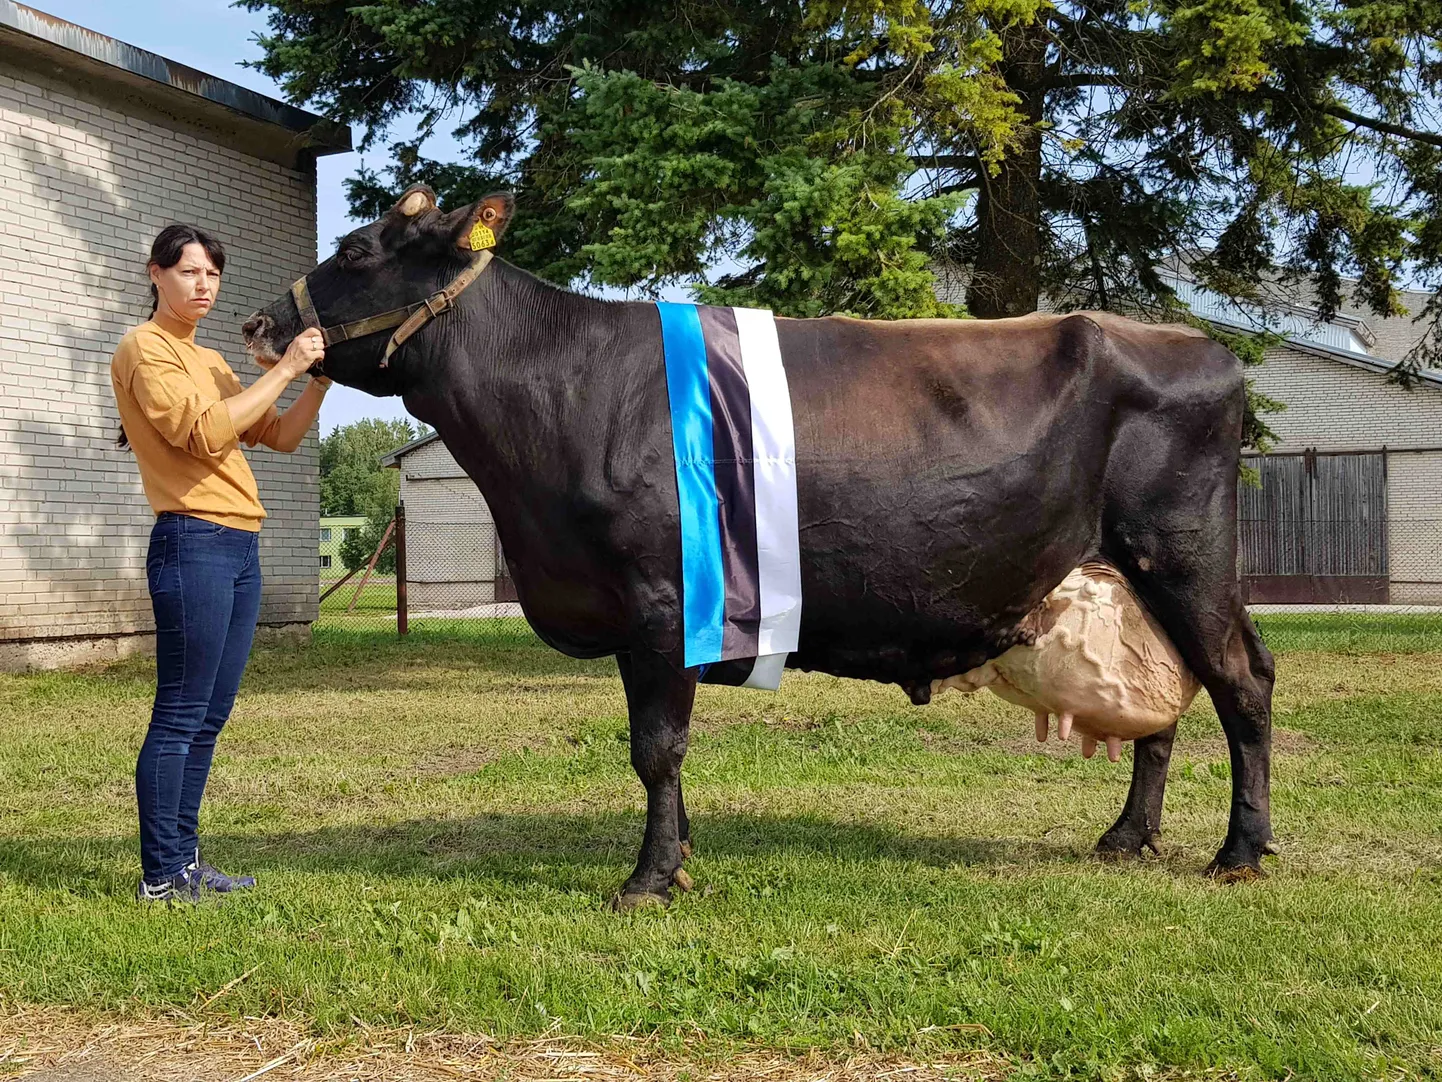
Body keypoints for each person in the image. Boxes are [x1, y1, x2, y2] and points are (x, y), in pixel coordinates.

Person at [111, 223, 327, 903]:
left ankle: (185, 860)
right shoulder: (145, 350)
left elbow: (283, 436)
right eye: (189, 272)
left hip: (237, 546)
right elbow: (206, 433)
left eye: (213, 276)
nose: (202, 285)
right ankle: (161, 875)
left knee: (208, 714)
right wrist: (287, 368)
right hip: (192, 542)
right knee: (179, 712)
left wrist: (317, 380)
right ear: (156, 274)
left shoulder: (207, 360)